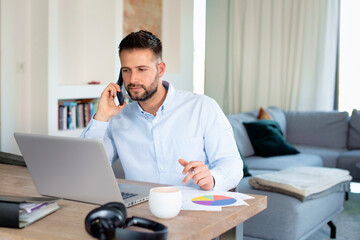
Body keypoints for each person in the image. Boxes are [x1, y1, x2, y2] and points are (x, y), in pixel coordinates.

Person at [81, 30, 243, 191]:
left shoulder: (203, 107)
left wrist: (213, 179)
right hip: (141, 210)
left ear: (161, 69)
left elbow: (231, 163)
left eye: (142, 69)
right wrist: (101, 117)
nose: (132, 79)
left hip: (196, 207)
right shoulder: (117, 119)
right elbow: (87, 168)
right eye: (126, 70)